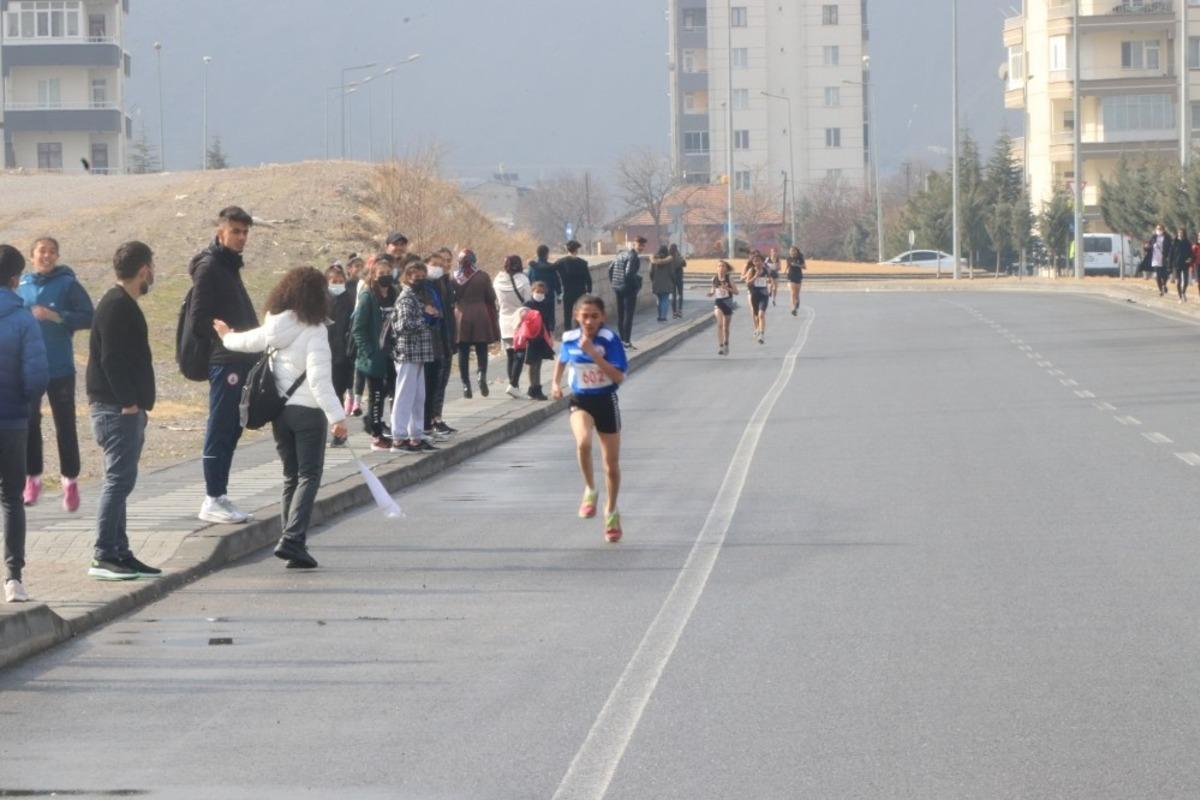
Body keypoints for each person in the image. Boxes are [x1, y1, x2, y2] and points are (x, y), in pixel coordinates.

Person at [215, 267, 349, 570]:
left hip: (280, 413)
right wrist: (337, 416)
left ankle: (291, 539)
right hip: (309, 413)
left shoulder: (274, 325)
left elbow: (246, 341)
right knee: (309, 476)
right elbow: (318, 380)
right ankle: (293, 539)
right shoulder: (315, 331)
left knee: (291, 476)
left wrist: (226, 336)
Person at [85, 241, 162, 581]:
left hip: (122, 408)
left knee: (123, 480)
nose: (153, 276)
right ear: (144, 270)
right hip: (117, 410)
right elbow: (111, 360)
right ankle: (103, 554)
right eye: (152, 269)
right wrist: (129, 402)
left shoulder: (121, 303)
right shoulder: (116, 305)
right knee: (117, 482)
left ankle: (121, 551)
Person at [187, 206, 260, 525]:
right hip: (225, 360)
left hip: (241, 358)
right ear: (221, 232)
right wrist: (226, 339)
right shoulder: (210, 266)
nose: (241, 238)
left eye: (245, 232)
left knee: (233, 427)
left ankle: (220, 493)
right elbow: (199, 319)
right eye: (235, 231)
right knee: (220, 426)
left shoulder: (230, 267)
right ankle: (212, 497)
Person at [17, 236, 94, 512]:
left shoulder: (67, 283)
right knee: (29, 423)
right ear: (32, 255)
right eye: (41, 251)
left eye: (52, 252)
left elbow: (89, 315)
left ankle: (70, 482)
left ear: (57, 256)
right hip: (28, 367)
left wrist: (56, 316)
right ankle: (32, 478)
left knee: (65, 425)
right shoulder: (21, 285)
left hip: (59, 367)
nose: (47, 256)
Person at [552, 295, 628, 543]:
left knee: (611, 465)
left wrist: (595, 355)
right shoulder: (569, 338)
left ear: (602, 317)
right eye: (585, 316)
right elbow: (562, 360)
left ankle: (611, 511)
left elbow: (618, 377)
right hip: (580, 400)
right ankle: (590, 490)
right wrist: (555, 384)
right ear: (577, 316)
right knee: (583, 442)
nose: (589, 320)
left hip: (606, 401)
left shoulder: (610, 340)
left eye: (595, 316)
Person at [0, 245, 48, 602]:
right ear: (16, 279)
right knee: (11, 499)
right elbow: (36, 376)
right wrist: (28, 407)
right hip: (12, 419)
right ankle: (13, 578)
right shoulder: (23, 319)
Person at [390, 262, 438, 454]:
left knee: (418, 397)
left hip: (419, 353)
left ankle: (415, 436)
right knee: (404, 395)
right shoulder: (406, 298)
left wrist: (432, 317)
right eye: (415, 276)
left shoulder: (417, 297)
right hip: (408, 353)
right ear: (407, 277)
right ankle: (399, 438)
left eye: (421, 275)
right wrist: (424, 319)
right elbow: (402, 326)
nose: (419, 279)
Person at [352, 255, 395, 451]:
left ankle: (378, 423)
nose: (385, 277)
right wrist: (368, 351)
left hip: (393, 352)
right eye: (381, 274)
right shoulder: (368, 296)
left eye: (388, 273)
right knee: (376, 395)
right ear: (374, 275)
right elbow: (358, 328)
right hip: (374, 355)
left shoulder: (394, 293)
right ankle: (376, 435)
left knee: (392, 389)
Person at [453, 249, 500, 398]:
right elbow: (491, 296)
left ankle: (466, 384)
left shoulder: (454, 278)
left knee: (463, 351)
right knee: (481, 348)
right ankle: (481, 375)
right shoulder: (483, 276)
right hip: (480, 314)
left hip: (461, 315)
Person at [424, 249, 457, 436]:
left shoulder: (446, 283)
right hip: (434, 340)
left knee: (442, 381)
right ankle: (431, 419)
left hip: (446, 337)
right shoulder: (428, 286)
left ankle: (437, 417)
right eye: (437, 263)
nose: (442, 265)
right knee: (434, 383)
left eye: (446, 262)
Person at [495, 255, 532, 399]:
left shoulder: (498, 280)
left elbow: (497, 300)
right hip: (520, 319)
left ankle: (513, 385)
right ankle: (514, 384)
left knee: (510, 354)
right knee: (520, 354)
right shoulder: (523, 280)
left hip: (504, 319)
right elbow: (528, 300)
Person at [325, 264, 355, 443]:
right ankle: (334, 431)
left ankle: (339, 430)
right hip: (325, 354)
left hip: (344, 354)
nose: (337, 284)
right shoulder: (322, 301)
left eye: (340, 281)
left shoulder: (349, 299)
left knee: (339, 392)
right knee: (329, 394)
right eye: (333, 281)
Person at [521, 281, 557, 400]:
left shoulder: (546, 303)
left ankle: (536, 388)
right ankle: (533, 388)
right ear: (532, 291)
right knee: (532, 363)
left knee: (539, 363)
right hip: (531, 338)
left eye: (542, 292)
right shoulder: (528, 304)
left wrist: (550, 332)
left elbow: (549, 320)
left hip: (542, 337)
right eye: (537, 292)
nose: (540, 294)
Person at [609, 237, 646, 348]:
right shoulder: (633, 257)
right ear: (634, 244)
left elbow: (610, 269)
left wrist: (614, 283)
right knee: (628, 315)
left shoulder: (620, 254)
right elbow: (629, 273)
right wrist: (637, 285)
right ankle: (626, 341)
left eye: (643, 245)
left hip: (617, 287)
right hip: (628, 288)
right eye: (640, 245)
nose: (641, 248)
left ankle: (621, 340)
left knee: (620, 315)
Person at [556, 240, 592, 331]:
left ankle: (568, 334)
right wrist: (589, 291)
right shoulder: (582, 263)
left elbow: (550, 269)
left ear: (567, 249)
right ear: (576, 250)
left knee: (567, 315)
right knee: (580, 313)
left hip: (567, 291)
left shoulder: (560, 262)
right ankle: (579, 332)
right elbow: (588, 279)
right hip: (580, 292)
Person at [742, 251, 775, 344]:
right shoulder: (751, 271)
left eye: (759, 261)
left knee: (761, 314)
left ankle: (761, 334)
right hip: (754, 295)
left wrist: (770, 287)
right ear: (753, 262)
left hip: (764, 295)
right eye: (756, 261)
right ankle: (757, 329)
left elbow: (769, 280)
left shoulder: (765, 270)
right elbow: (747, 283)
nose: (758, 262)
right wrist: (755, 276)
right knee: (756, 316)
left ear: (762, 261)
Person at [708, 260, 739, 356]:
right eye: (719, 266)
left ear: (726, 268)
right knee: (720, 324)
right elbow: (713, 290)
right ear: (717, 268)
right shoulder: (714, 279)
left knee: (726, 327)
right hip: (718, 303)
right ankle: (721, 346)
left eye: (723, 266)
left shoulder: (729, 278)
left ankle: (726, 343)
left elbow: (736, 292)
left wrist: (727, 288)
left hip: (728, 303)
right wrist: (711, 293)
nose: (721, 268)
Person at [527, 244, 562, 325]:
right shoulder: (552, 268)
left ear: (537, 254)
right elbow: (557, 282)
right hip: (549, 298)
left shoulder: (532, 268)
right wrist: (559, 295)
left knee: (537, 319)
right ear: (547, 254)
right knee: (549, 320)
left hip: (536, 298)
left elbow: (529, 281)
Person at [1141, 224, 1173, 296]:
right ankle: (1160, 290)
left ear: (1163, 230)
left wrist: (1169, 256)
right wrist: (1145, 247)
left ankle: (1164, 284)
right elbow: (1148, 247)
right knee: (1157, 275)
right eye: (1157, 229)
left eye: (1160, 229)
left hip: (1164, 259)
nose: (1158, 230)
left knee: (1165, 274)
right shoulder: (1153, 237)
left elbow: (1171, 247)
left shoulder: (1167, 237)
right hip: (1155, 259)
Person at [649, 245, 675, 323]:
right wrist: (673, 281)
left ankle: (659, 316)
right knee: (665, 299)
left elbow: (651, 272)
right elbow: (672, 273)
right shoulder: (669, 261)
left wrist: (653, 280)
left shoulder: (653, 260)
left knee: (659, 299)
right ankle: (663, 317)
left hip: (656, 283)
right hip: (666, 283)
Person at [1172, 227, 1192, 302]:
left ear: (1184, 234)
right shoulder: (1175, 242)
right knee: (1178, 282)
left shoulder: (1187, 242)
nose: (1180, 234)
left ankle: (1183, 293)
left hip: (1185, 264)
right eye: (1179, 232)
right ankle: (1180, 296)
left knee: (1186, 282)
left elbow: (1191, 253)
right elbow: (1171, 253)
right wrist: (1170, 265)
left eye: (1181, 233)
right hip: (1177, 264)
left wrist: (1190, 258)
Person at [669, 243, 687, 319]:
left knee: (673, 295)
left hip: (672, 278)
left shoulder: (668, 257)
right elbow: (684, 264)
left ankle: (674, 312)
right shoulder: (678, 256)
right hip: (679, 277)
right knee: (680, 294)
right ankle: (679, 310)